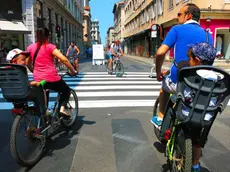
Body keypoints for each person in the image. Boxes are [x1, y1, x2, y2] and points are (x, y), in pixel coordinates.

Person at [151, 3, 213, 172]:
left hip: (180, 82)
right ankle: (195, 165)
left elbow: (160, 53)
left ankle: (161, 116)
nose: (177, 17)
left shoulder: (177, 30)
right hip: (201, 88)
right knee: (197, 133)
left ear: (188, 16)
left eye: (179, 14)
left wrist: (158, 73)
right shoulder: (209, 36)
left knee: (164, 89)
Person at [26, 28, 77, 117]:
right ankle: (62, 109)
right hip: (51, 78)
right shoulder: (50, 47)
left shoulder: (30, 48)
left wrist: (36, 72)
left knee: (43, 97)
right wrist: (73, 70)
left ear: (37, 36)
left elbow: (28, 63)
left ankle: (44, 120)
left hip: (38, 79)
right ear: (48, 36)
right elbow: (64, 59)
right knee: (66, 90)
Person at [6, 48, 47, 116]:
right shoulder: (20, 70)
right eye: (23, 60)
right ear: (14, 61)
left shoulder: (6, 70)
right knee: (40, 89)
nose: (25, 62)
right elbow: (26, 84)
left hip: (10, 94)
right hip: (23, 93)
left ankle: (18, 106)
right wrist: (37, 82)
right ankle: (43, 110)